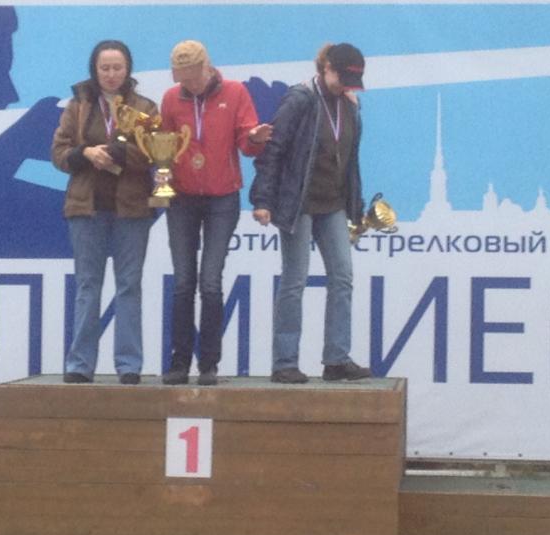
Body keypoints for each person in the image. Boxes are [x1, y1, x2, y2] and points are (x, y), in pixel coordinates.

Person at [250, 43, 372, 384]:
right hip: (298, 202)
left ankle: (336, 359)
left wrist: (356, 206)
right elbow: (273, 149)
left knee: (343, 276)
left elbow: (350, 161)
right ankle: (284, 363)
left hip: (333, 203)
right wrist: (263, 200)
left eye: (352, 81)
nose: (346, 86)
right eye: (342, 78)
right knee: (295, 280)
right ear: (326, 67)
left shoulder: (350, 105)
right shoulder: (299, 99)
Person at [160, 40, 272, 386]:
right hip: (181, 199)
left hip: (223, 199)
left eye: (194, 78)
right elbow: (162, 148)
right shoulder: (171, 98)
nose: (190, 85)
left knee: (210, 281)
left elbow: (247, 145)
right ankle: (179, 362)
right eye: (183, 79)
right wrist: (160, 182)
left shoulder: (235, 92)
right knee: (183, 282)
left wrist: (256, 138)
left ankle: (208, 364)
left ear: (207, 68)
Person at [51, 40, 157, 385]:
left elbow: (155, 155)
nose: (111, 74)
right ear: (94, 70)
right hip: (87, 208)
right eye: (105, 68)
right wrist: (85, 153)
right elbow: (58, 153)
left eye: (117, 68)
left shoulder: (145, 107)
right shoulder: (77, 106)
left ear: (128, 70)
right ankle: (80, 364)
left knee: (129, 286)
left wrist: (115, 153)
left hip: (132, 210)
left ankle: (129, 365)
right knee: (88, 286)